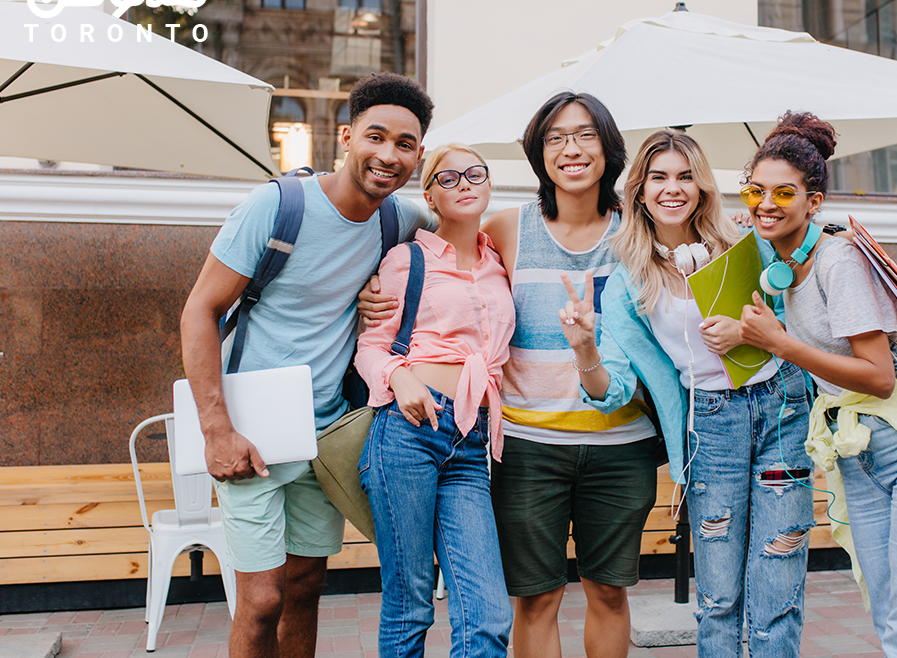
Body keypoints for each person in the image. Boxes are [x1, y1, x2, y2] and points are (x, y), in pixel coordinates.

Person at [180, 72, 435, 658]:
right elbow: (200, 310)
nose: (388, 154)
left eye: (404, 144)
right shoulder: (277, 205)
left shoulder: (400, 220)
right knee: (262, 599)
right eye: (376, 136)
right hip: (251, 434)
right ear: (346, 136)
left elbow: (466, 238)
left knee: (304, 588)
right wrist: (216, 430)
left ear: (418, 154)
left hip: (326, 434)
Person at [737, 112, 897, 656]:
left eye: (784, 192)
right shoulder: (789, 264)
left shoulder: (839, 262)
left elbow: (879, 376)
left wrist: (781, 344)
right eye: (754, 190)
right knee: (887, 608)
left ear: (814, 202)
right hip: (857, 451)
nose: (766, 203)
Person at [557, 129, 814, 657]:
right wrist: (585, 351)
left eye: (685, 177)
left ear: (701, 187)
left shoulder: (747, 241)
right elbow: (614, 386)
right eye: (658, 178)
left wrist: (747, 332)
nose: (672, 189)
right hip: (711, 426)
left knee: (777, 581)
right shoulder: (630, 273)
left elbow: (799, 316)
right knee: (719, 595)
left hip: (781, 410)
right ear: (640, 190)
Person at [485, 92, 658, 658]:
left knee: (608, 590)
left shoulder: (640, 232)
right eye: (555, 138)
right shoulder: (508, 229)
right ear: (540, 155)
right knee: (536, 600)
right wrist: (377, 294)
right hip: (529, 447)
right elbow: (447, 273)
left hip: (621, 445)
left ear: (608, 148)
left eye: (584, 135)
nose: (570, 149)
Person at [354, 144, 514, 658]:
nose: (465, 183)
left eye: (475, 174)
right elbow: (372, 347)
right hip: (408, 432)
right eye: (449, 178)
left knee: (487, 614)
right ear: (430, 196)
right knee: (411, 603)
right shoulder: (407, 259)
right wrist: (399, 379)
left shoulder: (500, 263)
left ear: (489, 185)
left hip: (471, 441)